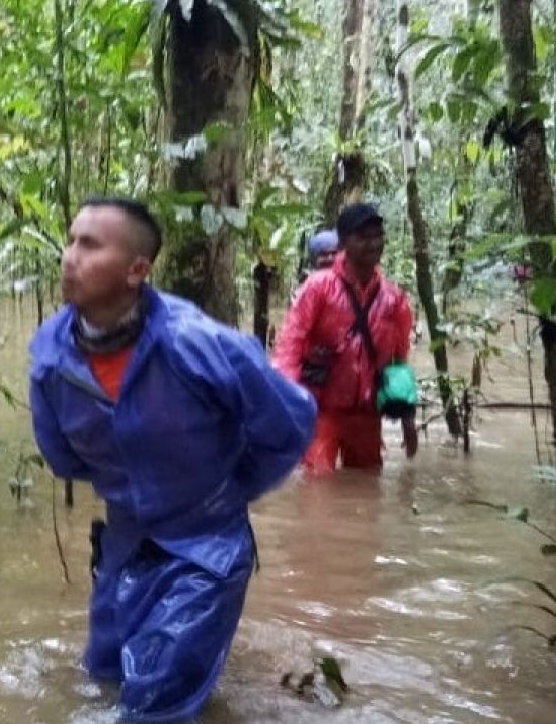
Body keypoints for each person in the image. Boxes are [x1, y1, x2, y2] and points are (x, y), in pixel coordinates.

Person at [28, 198, 316, 723]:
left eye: (90, 245)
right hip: (123, 543)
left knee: (155, 706)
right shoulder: (51, 355)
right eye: (70, 241)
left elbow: (290, 423)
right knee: (103, 676)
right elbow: (63, 458)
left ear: (137, 270)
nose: (70, 256)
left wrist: (226, 492)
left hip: (205, 550)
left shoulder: (198, 344)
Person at [274, 201, 417, 475]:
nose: (373, 244)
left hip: (367, 414)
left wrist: (407, 418)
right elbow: (290, 346)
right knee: (318, 489)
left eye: (378, 236)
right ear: (345, 243)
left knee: (367, 487)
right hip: (321, 410)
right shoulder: (317, 288)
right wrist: (284, 404)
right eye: (363, 237)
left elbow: (399, 361)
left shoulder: (394, 299)